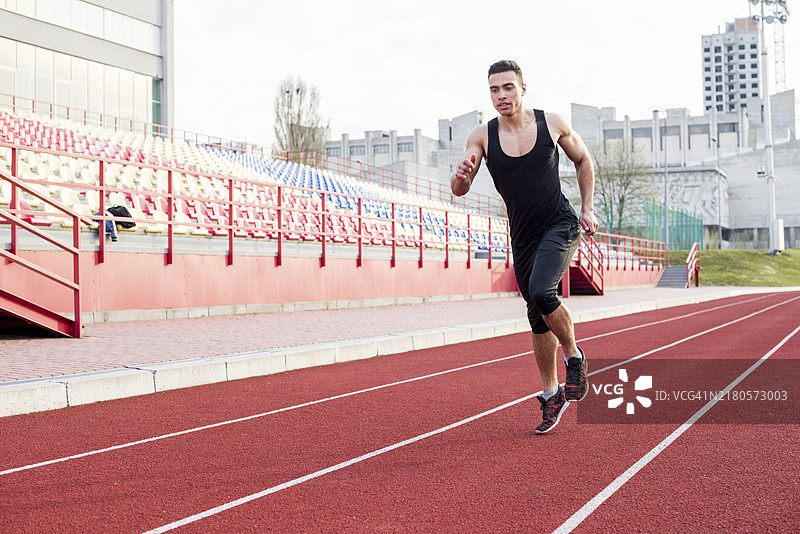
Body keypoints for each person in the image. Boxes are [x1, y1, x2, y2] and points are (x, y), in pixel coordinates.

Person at [451, 60, 599, 434]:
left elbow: (583, 159)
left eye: (508, 88)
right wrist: (460, 178)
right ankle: (551, 395)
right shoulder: (482, 136)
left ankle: (575, 356)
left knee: (541, 290)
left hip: (560, 223)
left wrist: (587, 208)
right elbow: (459, 190)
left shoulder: (552, 123)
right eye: (494, 90)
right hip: (523, 236)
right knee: (536, 318)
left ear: (523, 88)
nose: (501, 96)